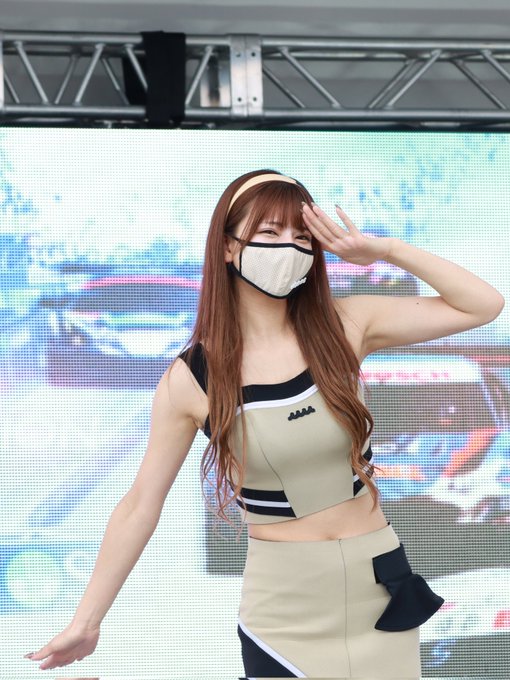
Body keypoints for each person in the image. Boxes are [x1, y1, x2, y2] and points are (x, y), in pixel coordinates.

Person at [24, 169, 505, 677]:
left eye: (302, 237)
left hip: (378, 591)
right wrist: (87, 621)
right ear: (228, 247)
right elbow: (141, 503)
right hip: (284, 608)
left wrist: (384, 250)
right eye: (270, 233)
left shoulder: (345, 326)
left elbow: (483, 305)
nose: (289, 248)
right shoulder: (195, 378)